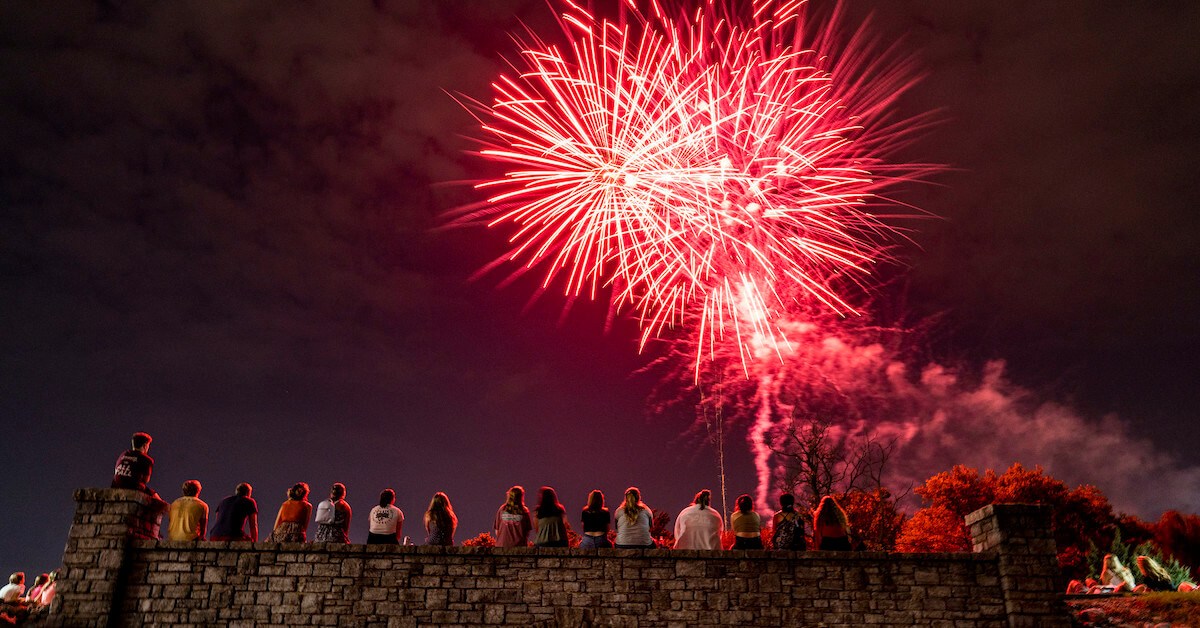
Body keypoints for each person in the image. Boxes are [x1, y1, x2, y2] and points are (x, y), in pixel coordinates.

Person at [111, 432, 156, 496]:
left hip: (115, 486)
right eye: (148, 446)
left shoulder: (123, 454)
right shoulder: (147, 460)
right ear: (145, 446)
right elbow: (146, 480)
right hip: (132, 488)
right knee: (156, 497)